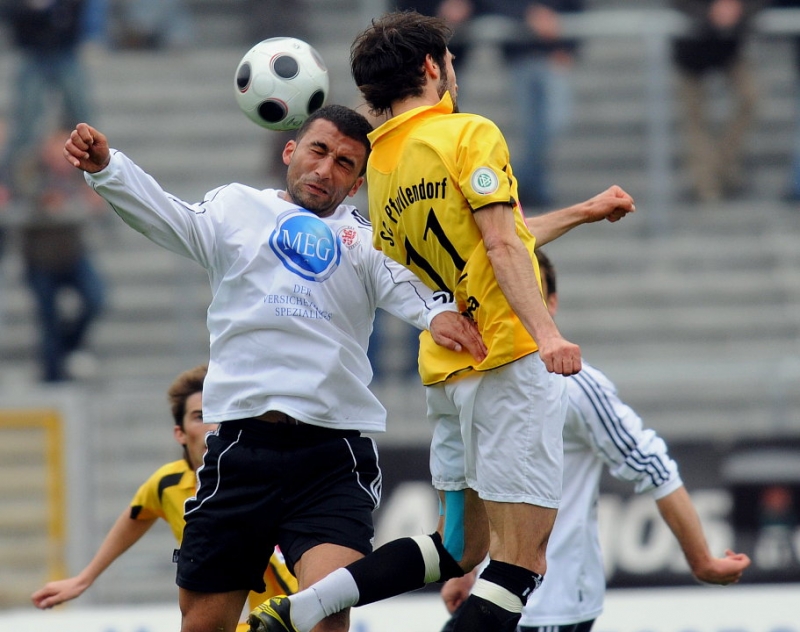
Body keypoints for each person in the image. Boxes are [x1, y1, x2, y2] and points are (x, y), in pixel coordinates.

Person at [249, 11, 636, 632]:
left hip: (448, 371)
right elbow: (502, 246)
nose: (453, 70)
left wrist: (583, 212)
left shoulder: (381, 162)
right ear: (433, 67)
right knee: (521, 562)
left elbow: (483, 240)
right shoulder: (468, 133)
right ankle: (306, 607)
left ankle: (303, 606)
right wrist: (549, 335)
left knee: (458, 547)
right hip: (507, 360)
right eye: (450, 61)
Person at [63, 104, 490, 632]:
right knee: (202, 625)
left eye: (344, 163)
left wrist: (437, 314)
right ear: (290, 151)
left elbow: (408, 284)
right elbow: (171, 217)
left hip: (330, 458)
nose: (325, 169)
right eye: (318, 150)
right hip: (241, 450)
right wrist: (109, 169)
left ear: (357, 183)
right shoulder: (236, 208)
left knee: (326, 616)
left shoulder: (364, 239)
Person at [438, 250, 752, 632]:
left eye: (529, 292)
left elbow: (654, 468)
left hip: (551, 607)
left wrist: (703, 561)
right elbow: (477, 482)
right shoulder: (476, 378)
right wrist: (464, 568)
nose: (516, 304)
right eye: (505, 292)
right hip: (489, 594)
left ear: (551, 303)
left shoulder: (573, 384)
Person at [30, 365, 298, 631]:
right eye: (200, 416)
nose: (213, 427)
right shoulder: (167, 484)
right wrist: (83, 579)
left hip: (287, 617)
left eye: (221, 415)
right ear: (180, 433)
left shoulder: (262, 478)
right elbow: (136, 516)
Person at [17, 128, 106, 382]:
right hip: (40, 258)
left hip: (73, 254)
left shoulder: (79, 168)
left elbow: (95, 196)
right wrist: (45, 198)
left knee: (95, 298)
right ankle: (52, 375)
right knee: (48, 317)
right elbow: (25, 191)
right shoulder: (30, 169)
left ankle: (69, 347)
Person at [479, 0, 585, 209]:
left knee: (555, 121)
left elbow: (576, 7)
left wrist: (568, 47)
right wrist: (528, 13)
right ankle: (533, 185)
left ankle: (524, 180)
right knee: (530, 128)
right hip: (521, 55)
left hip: (553, 54)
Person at [0, 0, 97, 206]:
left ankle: (93, 180)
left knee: (83, 119)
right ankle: (9, 182)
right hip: (32, 53)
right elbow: (10, 15)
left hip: (65, 51)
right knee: (24, 123)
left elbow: (74, 16)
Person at [670, 0, 766, 202]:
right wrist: (710, 12)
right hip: (691, 48)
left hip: (729, 45)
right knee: (694, 117)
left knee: (750, 98)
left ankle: (719, 165)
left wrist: (738, 8)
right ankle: (706, 182)